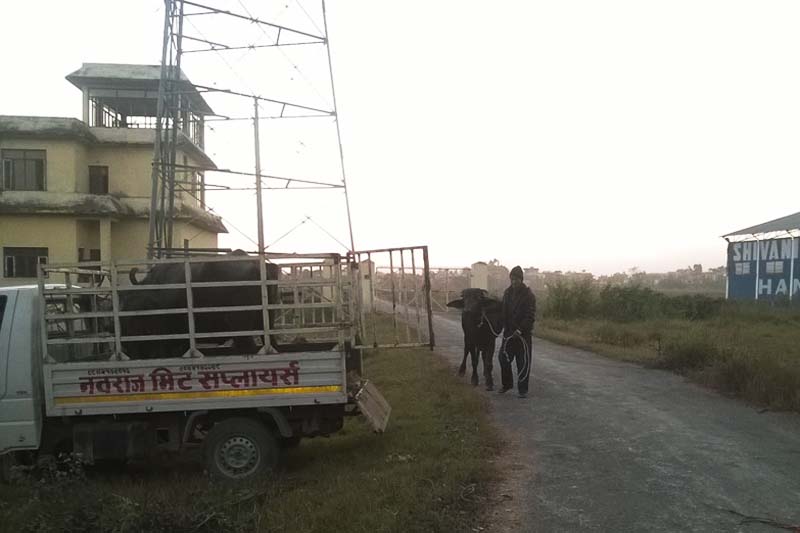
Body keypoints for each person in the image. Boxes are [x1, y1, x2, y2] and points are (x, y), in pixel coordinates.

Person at [498, 266, 536, 398]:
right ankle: (507, 384)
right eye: (512, 279)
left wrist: (520, 330)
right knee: (503, 358)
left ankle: (522, 390)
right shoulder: (507, 293)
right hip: (509, 334)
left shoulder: (529, 295)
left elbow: (530, 316)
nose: (514, 282)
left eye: (516, 279)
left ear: (521, 279)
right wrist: (502, 326)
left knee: (523, 362)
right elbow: (503, 312)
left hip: (523, 336)